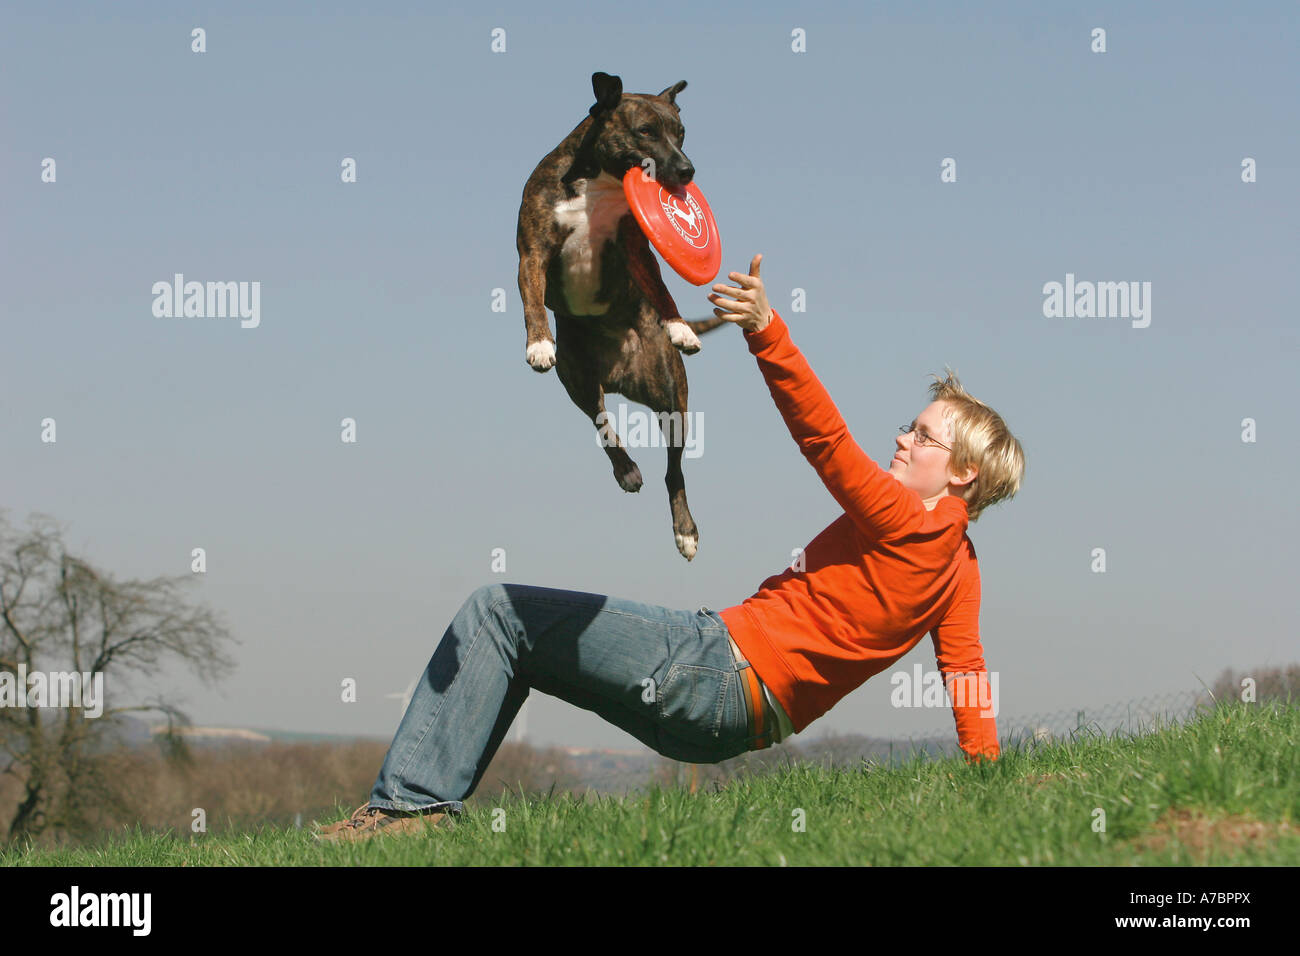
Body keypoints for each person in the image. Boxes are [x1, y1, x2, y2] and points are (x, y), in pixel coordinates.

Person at [315, 253, 1025, 842]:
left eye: (924, 437)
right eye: (911, 424)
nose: (903, 438)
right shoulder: (960, 568)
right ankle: (425, 814)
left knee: (498, 613)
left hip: (715, 668)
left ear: (963, 473)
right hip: (735, 728)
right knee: (520, 641)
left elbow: (827, 444)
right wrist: (986, 777)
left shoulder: (903, 518)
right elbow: (965, 668)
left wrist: (767, 330)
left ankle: (408, 812)